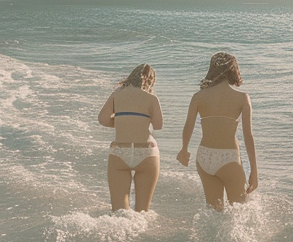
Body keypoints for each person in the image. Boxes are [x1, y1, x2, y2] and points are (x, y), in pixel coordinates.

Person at [176, 52, 258, 211]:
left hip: (204, 157)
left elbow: (188, 126)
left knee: (214, 212)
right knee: (240, 211)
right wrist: (254, 171)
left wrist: (184, 149)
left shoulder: (199, 96)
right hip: (228, 157)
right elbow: (248, 136)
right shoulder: (242, 98)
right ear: (234, 70)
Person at [97, 63, 163, 212]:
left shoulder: (117, 94)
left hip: (120, 151)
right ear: (150, 81)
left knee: (119, 210)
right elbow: (158, 125)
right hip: (146, 152)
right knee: (143, 211)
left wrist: (123, 122)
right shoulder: (151, 98)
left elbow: (103, 119)